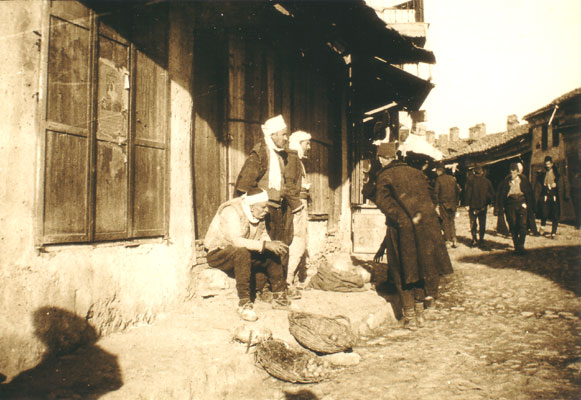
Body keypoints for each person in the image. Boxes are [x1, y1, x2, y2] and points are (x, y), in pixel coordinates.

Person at [372, 143, 454, 330]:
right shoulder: (417, 172)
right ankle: (420, 312)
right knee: (420, 267)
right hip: (424, 227)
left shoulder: (384, 175)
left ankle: (409, 316)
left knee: (401, 269)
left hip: (402, 230)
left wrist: (401, 218)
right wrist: (421, 214)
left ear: (382, 158)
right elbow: (433, 196)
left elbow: (383, 203)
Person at [204, 188, 290, 322]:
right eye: (263, 207)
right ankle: (244, 303)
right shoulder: (231, 211)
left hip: (241, 253)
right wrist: (265, 245)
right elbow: (236, 241)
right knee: (243, 252)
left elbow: (263, 236)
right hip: (219, 253)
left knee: (273, 251)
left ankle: (279, 296)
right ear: (251, 206)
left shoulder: (258, 214)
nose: (266, 210)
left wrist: (271, 245)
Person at [234, 115, 294, 298]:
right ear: (273, 135)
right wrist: (258, 203)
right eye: (283, 135)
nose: (286, 138)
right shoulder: (260, 153)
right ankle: (263, 289)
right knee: (263, 250)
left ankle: (278, 286)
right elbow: (244, 185)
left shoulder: (279, 154)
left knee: (279, 247)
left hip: (277, 209)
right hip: (263, 210)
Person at [283, 130, 312, 296]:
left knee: (299, 244)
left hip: (300, 204)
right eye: (306, 143)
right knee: (298, 244)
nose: (308, 147)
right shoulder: (293, 159)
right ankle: (287, 282)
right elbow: (289, 187)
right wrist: (297, 207)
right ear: (299, 143)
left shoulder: (297, 160)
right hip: (297, 206)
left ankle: (290, 280)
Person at [495, 163, 535, 255]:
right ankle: (517, 246)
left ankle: (521, 245)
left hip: (522, 203)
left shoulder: (523, 181)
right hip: (510, 205)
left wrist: (530, 206)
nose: (512, 175)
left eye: (514, 173)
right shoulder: (506, 182)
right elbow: (500, 195)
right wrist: (500, 207)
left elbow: (529, 194)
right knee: (513, 224)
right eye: (511, 173)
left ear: (518, 172)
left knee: (523, 225)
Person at [535, 156, 567, 238]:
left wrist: (556, 185)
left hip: (554, 195)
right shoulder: (543, 173)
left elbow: (561, 183)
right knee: (544, 213)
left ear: (552, 164)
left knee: (555, 214)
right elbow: (540, 185)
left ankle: (553, 232)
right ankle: (542, 228)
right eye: (546, 164)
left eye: (549, 164)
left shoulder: (557, 173)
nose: (548, 166)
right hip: (545, 195)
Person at [464, 164, 495, 248]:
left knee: (473, 223)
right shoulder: (487, 181)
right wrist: (490, 203)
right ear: (482, 172)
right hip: (483, 206)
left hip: (472, 206)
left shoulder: (470, 181)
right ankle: (481, 240)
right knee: (482, 224)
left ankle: (474, 239)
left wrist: (466, 204)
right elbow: (491, 194)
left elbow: (468, 194)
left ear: (474, 172)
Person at [434, 165, 460, 248]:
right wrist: (456, 202)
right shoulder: (452, 179)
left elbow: (436, 193)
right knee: (451, 221)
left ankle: (448, 240)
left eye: (437, 171)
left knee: (445, 221)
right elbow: (457, 191)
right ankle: (454, 239)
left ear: (439, 171)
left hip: (443, 203)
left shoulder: (439, 180)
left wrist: (436, 204)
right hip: (453, 203)